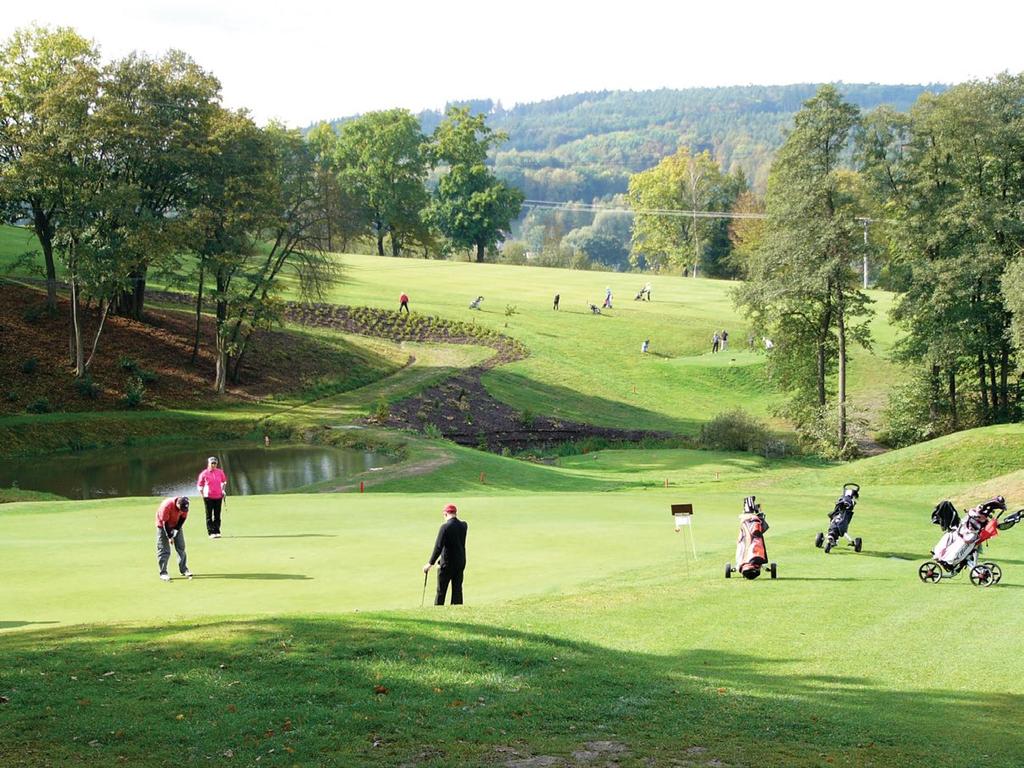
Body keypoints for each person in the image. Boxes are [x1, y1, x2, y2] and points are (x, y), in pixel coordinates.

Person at [423, 503, 468, 605]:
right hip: (460, 562)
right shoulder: (464, 525)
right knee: (457, 590)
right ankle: (457, 609)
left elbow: (438, 547)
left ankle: (438, 610)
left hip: (447, 563)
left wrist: (430, 563)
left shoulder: (445, 527)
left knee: (441, 591)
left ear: (445, 514)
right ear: (456, 513)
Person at [156, 496, 192, 581]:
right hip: (163, 526)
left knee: (181, 547)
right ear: (177, 504)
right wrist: (169, 536)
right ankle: (163, 573)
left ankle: (184, 570)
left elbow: (182, 519)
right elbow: (165, 523)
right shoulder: (167, 506)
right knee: (164, 550)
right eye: (181, 508)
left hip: (176, 524)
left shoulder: (184, 506)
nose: (182, 510)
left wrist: (176, 530)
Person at [197, 456, 228, 539]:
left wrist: (223, 491)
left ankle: (217, 531)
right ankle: (211, 532)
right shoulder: (204, 473)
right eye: (212, 463)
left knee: (217, 515)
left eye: (215, 463)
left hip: (218, 496)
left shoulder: (220, 472)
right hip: (208, 497)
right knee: (209, 515)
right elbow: (200, 485)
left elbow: (224, 482)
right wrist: (202, 494)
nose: (214, 465)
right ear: (209, 463)